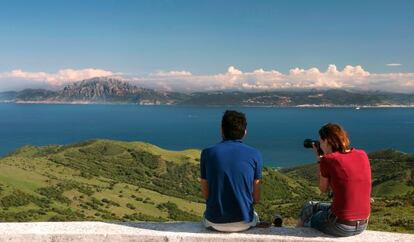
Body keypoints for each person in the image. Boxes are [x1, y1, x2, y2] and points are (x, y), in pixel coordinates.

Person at [297, 123, 372, 237]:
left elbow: (323, 189)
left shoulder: (328, 159)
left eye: (321, 142)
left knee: (309, 219)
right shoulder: (362, 154)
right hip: (363, 224)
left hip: (340, 225)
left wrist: (319, 160)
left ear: (327, 141)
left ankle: (295, 233)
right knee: (310, 206)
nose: (320, 145)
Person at [200, 110, 264, 232]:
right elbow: (256, 197)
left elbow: (206, 194)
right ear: (245, 132)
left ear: (221, 130)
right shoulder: (255, 154)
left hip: (214, 221)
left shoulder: (207, 153)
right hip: (244, 222)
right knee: (255, 216)